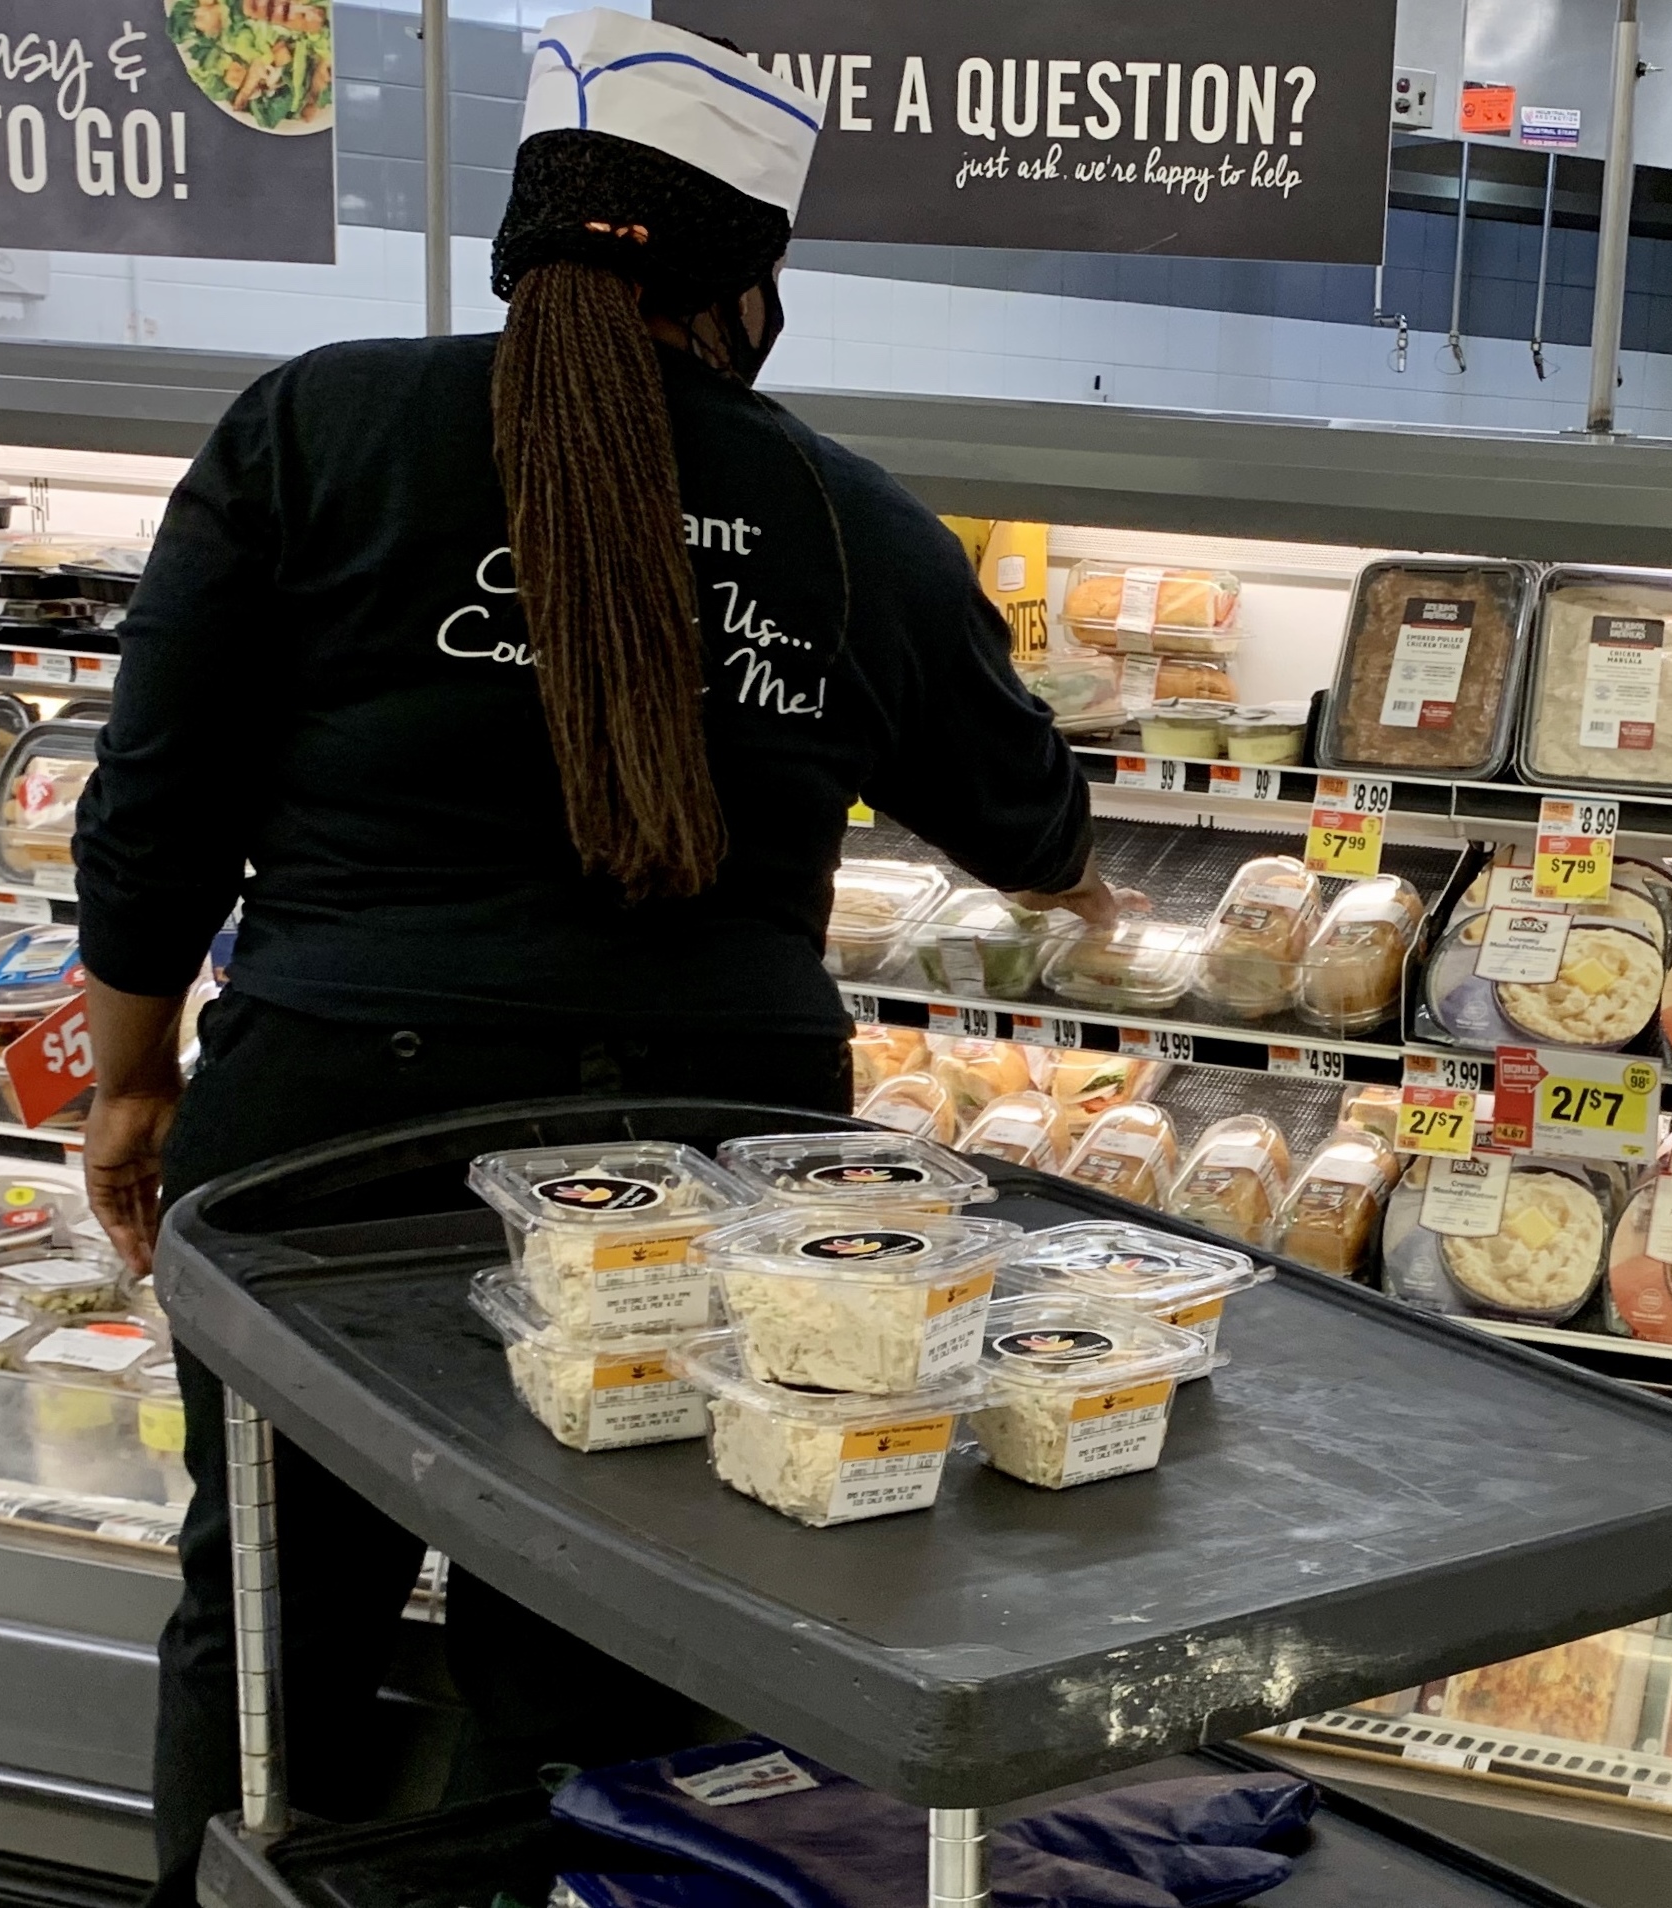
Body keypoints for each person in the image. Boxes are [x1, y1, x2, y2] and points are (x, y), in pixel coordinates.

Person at [70, 15, 1112, 1903]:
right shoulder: (849, 519)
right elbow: (1031, 830)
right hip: (711, 1163)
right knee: (620, 1630)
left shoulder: (317, 421)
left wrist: (128, 1074)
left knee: (275, 1611)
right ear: (752, 289)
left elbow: (153, 807)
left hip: (331, 1122)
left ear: (518, 247)